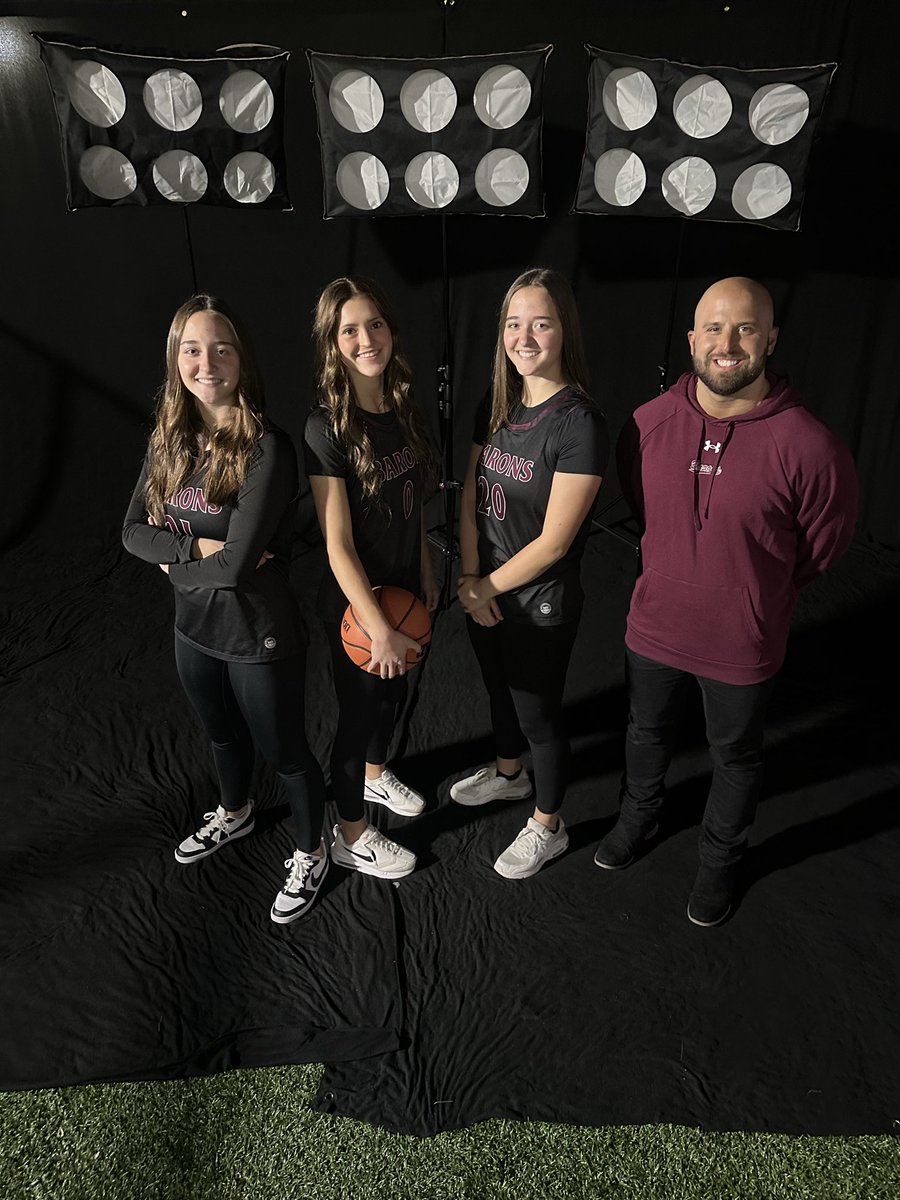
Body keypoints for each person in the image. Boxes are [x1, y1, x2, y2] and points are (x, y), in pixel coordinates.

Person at [594, 276, 858, 926]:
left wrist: (756, 595)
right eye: (713, 327)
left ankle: (719, 861)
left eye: (744, 328)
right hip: (653, 626)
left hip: (742, 643)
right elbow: (640, 504)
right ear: (692, 339)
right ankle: (638, 818)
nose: (727, 342)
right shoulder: (648, 423)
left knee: (734, 757)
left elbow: (824, 544)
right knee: (645, 733)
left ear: (770, 338)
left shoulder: (811, 447)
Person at [122, 294, 329, 925]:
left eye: (221, 348)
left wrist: (174, 560)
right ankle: (234, 815)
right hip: (194, 628)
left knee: (285, 750)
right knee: (220, 736)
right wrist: (197, 546)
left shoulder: (268, 447)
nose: (206, 362)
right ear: (175, 359)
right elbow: (131, 531)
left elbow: (238, 569)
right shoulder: (169, 440)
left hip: (259, 631)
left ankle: (312, 849)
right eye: (192, 349)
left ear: (242, 359)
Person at [453, 267, 608, 878]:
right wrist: (470, 577)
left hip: (537, 601)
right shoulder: (495, 407)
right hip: (484, 592)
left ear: (564, 329)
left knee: (538, 717)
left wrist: (482, 588)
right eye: (513, 324)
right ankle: (510, 777)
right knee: (499, 693)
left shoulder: (579, 423)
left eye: (540, 323)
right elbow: (469, 496)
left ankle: (549, 824)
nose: (524, 336)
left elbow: (553, 543)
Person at [304, 277, 439, 880]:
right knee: (358, 721)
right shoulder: (325, 428)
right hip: (358, 604)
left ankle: (379, 778)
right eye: (350, 330)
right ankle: (351, 835)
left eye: (375, 325)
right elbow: (335, 544)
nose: (366, 339)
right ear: (333, 344)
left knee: (394, 697)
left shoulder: (404, 407)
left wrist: (428, 567)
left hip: (407, 587)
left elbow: (413, 508)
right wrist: (375, 625)